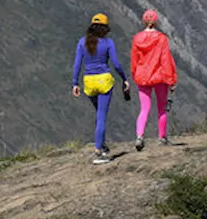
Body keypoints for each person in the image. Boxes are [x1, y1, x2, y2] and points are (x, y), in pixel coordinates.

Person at [72, 13, 130, 164]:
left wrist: (75, 83)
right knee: (102, 116)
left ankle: (102, 144)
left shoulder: (82, 42)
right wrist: (124, 79)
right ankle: (98, 151)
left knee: (99, 114)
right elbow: (116, 64)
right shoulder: (108, 43)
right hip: (104, 81)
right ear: (105, 29)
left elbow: (77, 64)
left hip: (89, 82)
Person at [131, 9, 178, 151]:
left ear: (144, 20)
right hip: (159, 77)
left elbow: (134, 60)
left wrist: (135, 74)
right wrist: (171, 80)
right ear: (156, 21)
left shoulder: (137, 38)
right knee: (161, 108)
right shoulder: (161, 38)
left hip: (142, 77)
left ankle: (139, 137)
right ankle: (162, 137)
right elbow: (165, 60)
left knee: (144, 109)